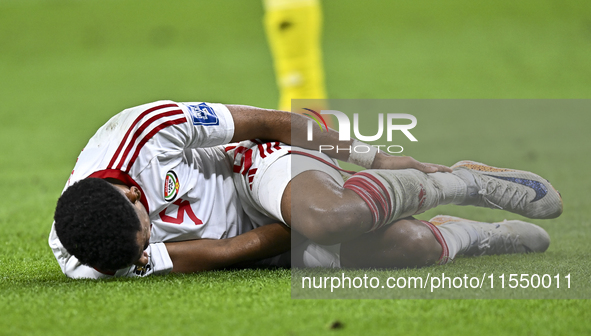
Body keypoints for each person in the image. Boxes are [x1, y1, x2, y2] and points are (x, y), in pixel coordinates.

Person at [49, 100, 562, 279]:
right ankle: (483, 236)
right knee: (411, 245)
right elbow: (228, 251)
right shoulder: (92, 255)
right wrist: (288, 238)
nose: (146, 257)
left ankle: (460, 180)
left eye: (144, 246)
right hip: (262, 241)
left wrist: (372, 156)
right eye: (141, 260)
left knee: (325, 217)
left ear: (136, 196)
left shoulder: (145, 132)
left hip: (252, 167)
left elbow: (275, 123)